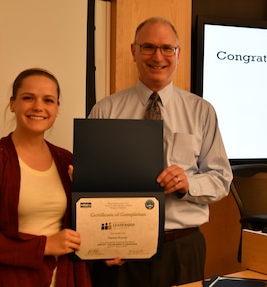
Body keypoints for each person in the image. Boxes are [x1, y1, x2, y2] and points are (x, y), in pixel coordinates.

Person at [88, 17, 233, 287]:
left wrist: (189, 183)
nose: (158, 56)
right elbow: (94, 189)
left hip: (181, 247)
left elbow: (222, 179)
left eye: (167, 48)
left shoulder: (201, 111)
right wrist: (100, 241)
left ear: (178, 54)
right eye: (148, 47)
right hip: (121, 248)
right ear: (133, 51)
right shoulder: (105, 111)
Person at [0, 68, 91, 287]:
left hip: (65, 277)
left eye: (48, 100)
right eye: (28, 98)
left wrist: (108, 248)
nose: (38, 107)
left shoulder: (66, 158)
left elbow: (84, 224)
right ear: (12, 104)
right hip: (8, 280)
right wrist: (45, 245)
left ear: (57, 109)